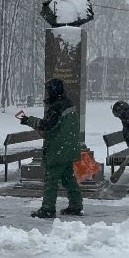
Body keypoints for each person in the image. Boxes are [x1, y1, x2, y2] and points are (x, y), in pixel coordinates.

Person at [17, 78, 82, 219]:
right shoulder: (69, 104)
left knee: (51, 180)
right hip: (70, 148)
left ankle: (48, 209)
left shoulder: (56, 107)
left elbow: (48, 125)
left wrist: (28, 120)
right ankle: (76, 205)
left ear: (53, 91)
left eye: (48, 90)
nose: (47, 94)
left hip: (58, 150)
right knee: (69, 179)